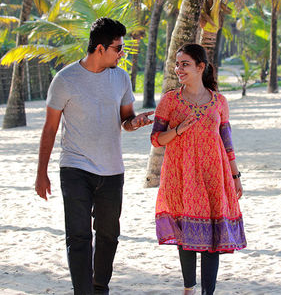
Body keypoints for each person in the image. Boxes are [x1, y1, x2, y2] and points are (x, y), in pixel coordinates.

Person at [35, 17, 153, 295]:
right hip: (75, 167)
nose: (121, 53)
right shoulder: (65, 80)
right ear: (100, 48)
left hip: (112, 170)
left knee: (109, 235)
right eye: (117, 48)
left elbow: (126, 119)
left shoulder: (121, 77)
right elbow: (50, 128)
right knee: (78, 236)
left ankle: (99, 288)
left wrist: (136, 123)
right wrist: (42, 173)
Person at [150, 44, 246, 295]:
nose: (178, 69)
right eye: (177, 64)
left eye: (185, 64)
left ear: (200, 67)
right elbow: (156, 139)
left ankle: (208, 292)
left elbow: (227, 141)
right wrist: (178, 130)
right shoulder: (170, 100)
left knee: (213, 235)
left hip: (214, 173)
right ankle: (188, 289)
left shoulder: (219, 102)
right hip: (180, 173)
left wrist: (235, 176)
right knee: (187, 234)